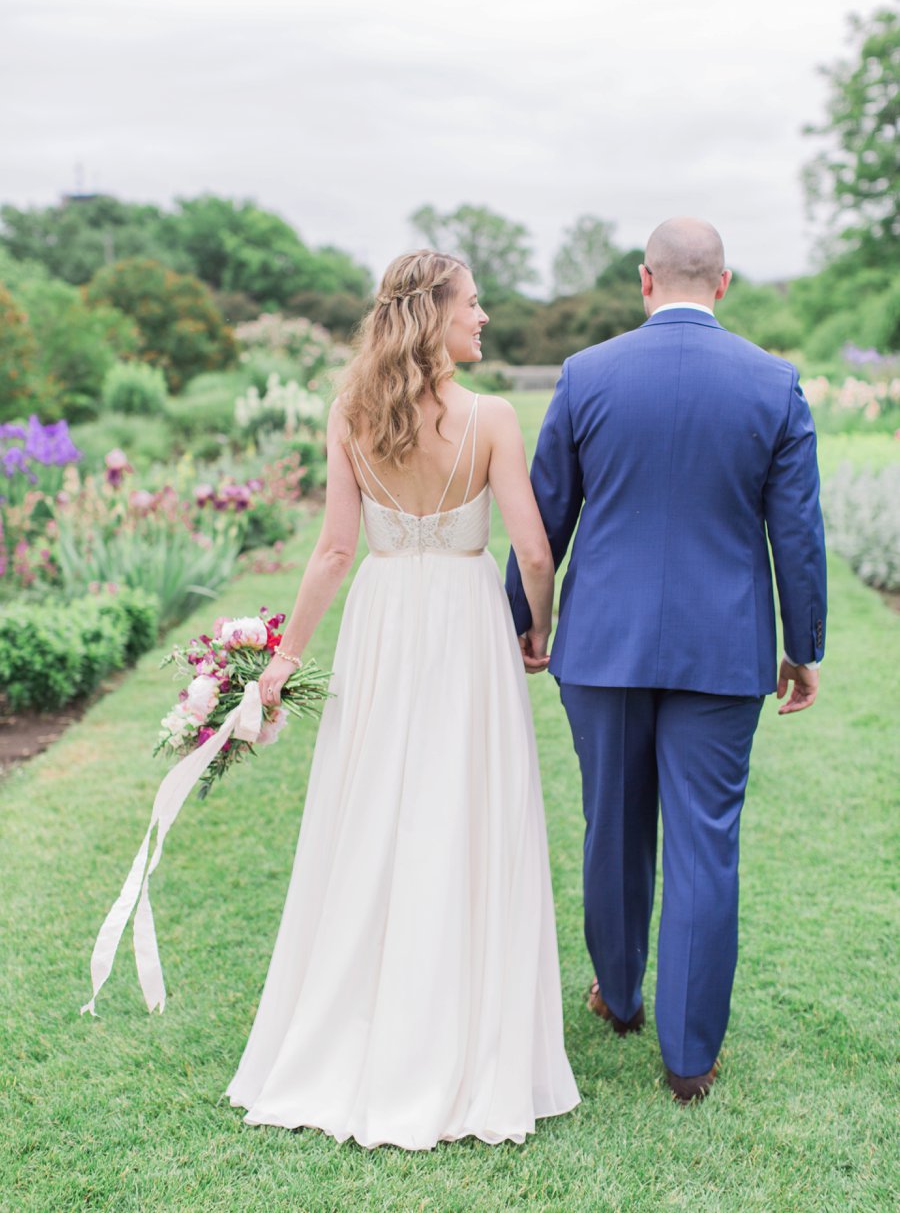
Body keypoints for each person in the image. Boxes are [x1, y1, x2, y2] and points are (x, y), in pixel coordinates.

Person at [226, 250, 580, 1147]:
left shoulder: (352, 412)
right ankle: (458, 1028)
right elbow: (534, 554)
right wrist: (536, 628)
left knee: (373, 810)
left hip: (383, 621)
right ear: (436, 313)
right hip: (465, 620)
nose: (486, 316)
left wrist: (286, 655)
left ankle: (360, 1021)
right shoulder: (491, 418)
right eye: (474, 303)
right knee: (466, 811)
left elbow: (334, 551)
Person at [506, 217, 827, 1104]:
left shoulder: (587, 374)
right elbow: (796, 533)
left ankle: (618, 996)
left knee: (612, 821)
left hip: (602, 645)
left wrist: (522, 623)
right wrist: (803, 646)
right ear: (723, 283)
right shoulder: (774, 383)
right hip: (723, 651)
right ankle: (689, 1057)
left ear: (646, 282)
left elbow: (544, 516)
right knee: (704, 844)